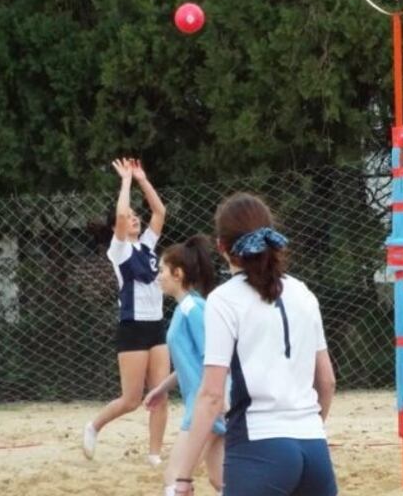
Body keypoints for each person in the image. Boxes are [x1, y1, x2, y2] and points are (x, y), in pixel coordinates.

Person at [170, 192, 337, 496]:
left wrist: (183, 476)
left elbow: (210, 396)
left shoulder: (224, 299)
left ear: (222, 247)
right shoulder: (303, 293)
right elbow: (327, 381)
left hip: (258, 445)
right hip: (314, 448)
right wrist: (309, 429)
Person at [84, 158, 170, 466]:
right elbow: (120, 213)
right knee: (132, 399)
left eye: (136, 216)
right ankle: (93, 426)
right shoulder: (118, 250)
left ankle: (154, 454)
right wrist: (125, 182)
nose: (134, 218)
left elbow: (159, 212)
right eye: (130, 217)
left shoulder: (147, 246)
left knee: (159, 394)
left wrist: (143, 180)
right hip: (133, 328)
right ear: (115, 228)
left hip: (156, 327)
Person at [143, 236, 225, 495]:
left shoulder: (194, 309)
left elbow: (216, 361)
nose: (159, 276)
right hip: (205, 404)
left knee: (174, 480)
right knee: (221, 480)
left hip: (206, 407)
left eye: (162, 270)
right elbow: (190, 363)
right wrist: (161, 388)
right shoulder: (184, 309)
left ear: (177, 273)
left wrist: (219, 404)